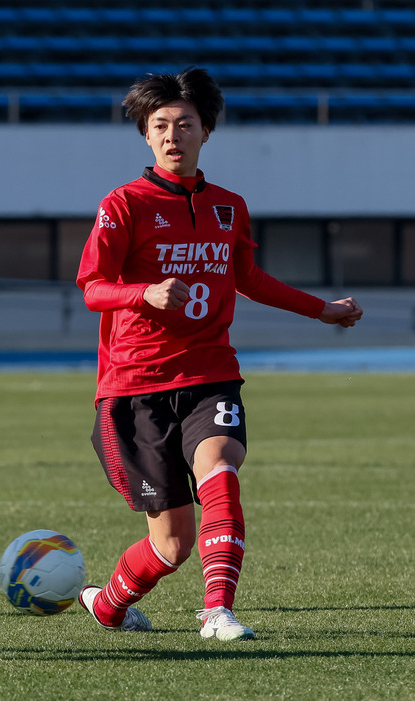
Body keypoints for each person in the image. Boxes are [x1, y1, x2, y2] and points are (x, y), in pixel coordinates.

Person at [75, 68, 362, 642]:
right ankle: (107, 604)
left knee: (221, 469)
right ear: (145, 135)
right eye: (159, 125)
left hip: (210, 372)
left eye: (185, 123)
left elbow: (249, 278)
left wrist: (321, 310)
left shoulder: (229, 207)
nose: (172, 135)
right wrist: (144, 293)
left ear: (207, 130)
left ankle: (217, 612)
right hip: (135, 386)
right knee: (173, 544)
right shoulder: (123, 204)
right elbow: (91, 286)